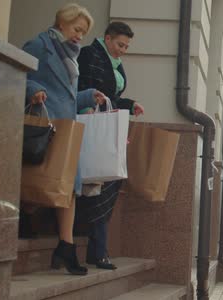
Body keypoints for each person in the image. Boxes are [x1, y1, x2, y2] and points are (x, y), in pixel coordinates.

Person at [23, 3, 106, 275]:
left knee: (69, 187)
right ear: (61, 23)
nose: (79, 36)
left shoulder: (71, 54)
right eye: (76, 29)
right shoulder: (40, 45)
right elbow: (17, 75)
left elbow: (67, 94)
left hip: (65, 127)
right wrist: (34, 89)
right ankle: (24, 221)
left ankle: (66, 246)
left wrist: (88, 94)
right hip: (44, 125)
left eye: (83, 32)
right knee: (40, 180)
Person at [76, 21, 144, 270]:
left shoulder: (114, 63)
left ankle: (97, 249)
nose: (123, 50)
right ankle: (95, 249)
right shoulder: (88, 55)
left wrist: (129, 103)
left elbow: (110, 97)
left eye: (126, 46)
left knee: (107, 185)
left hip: (104, 128)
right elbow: (83, 89)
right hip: (89, 128)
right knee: (96, 185)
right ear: (107, 38)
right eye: (119, 44)